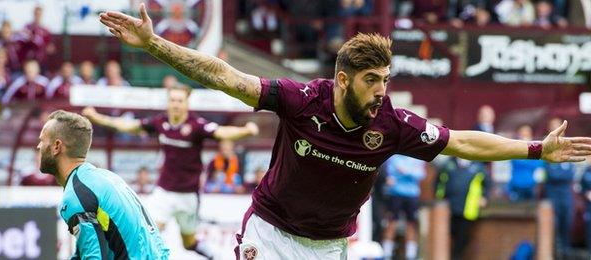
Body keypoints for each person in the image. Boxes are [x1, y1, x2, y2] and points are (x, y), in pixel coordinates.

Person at [98, 5, 591, 258]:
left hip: (330, 245)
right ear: (342, 80)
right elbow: (226, 77)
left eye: (385, 80)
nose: (381, 90)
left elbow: (461, 140)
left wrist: (534, 150)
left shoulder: (392, 125)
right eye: (371, 80)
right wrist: (155, 44)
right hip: (269, 234)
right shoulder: (300, 100)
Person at [82, 84, 259, 259]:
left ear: (187, 103)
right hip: (163, 192)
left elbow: (222, 132)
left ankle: (217, 256)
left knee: (188, 243)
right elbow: (129, 126)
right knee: (148, 233)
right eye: (172, 100)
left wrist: (246, 130)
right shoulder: (160, 122)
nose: (175, 104)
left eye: (180, 101)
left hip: (188, 196)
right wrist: (97, 118)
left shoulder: (196, 126)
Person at [36, 110, 169, 259]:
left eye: (42, 140)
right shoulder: (104, 177)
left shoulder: (76, 196)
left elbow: (93, 257)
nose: (38, 146)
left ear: (56, 147)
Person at [435, 157, 490, 260]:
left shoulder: (478, 166)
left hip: (468, 209)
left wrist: (484, 197)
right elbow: (438, 182)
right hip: (447, 209)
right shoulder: (448, 164)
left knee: (462, 238)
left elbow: (486, 185)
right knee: (446, 237)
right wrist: (439, 199)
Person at [381, 155, 426, 260]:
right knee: (391, 223)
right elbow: (390, 174)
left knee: (411, 224)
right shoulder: (393, 157)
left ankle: (410, 255)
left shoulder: (417, 157)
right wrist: (410, 173)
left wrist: (406, 172)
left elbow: (421, 174)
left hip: (412, 196)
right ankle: (386, 254)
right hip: (395, 194)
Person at [542, 117, 574, 254]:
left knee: (567, 224)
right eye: (553, 126)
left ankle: (565, 253)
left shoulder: (568, 147)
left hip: (566, 194)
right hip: (552, 194)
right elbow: (550, 175)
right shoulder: (545, 147)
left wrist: (559, 173)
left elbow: (570, 175)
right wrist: (561, 174)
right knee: (552, 227)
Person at [508, 125, 543, 202]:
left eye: (527, 134)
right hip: (516, 184)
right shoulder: (514, 148)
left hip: (530, 184)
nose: (525, 136)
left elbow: (538, 164)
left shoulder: (536, 148)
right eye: (522, 134)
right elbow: (515, 161)